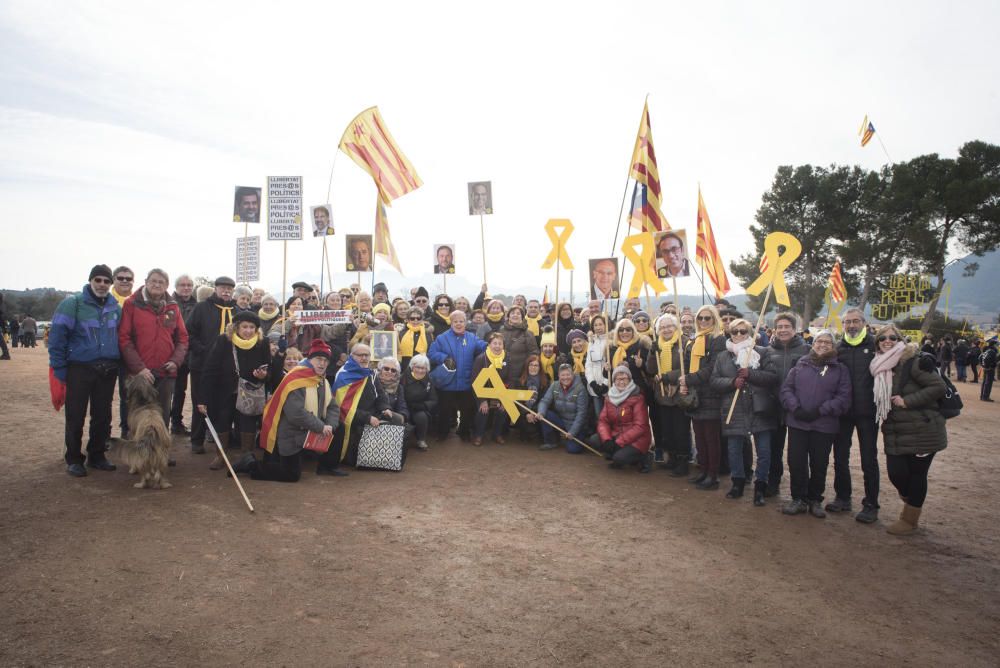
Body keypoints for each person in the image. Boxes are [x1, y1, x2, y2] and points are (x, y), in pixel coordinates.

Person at [870, 324, 948, 535]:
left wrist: (908, 401)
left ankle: (909, 519)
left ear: (900, 340)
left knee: (916, 475)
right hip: (895, 430)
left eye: (892, 338)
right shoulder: (879, 365)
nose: (887, 341)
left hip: (922, 428)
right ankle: (911, 499)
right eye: (882, 338)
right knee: (897, 474)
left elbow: (939, 387)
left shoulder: (913, 361)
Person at [49, 265, 122, 477]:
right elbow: (57, 338)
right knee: (75, 415)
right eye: (98, 280)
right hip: (79, 368)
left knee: (102, 415)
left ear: (111, 284)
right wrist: (59, 368)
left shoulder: (115, 308)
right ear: (91, 281)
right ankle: (73, 458)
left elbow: (123, 337)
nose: (102, 285)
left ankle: (97, 455)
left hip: (107, 369)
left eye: (106, 281)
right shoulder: (73, 304)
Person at [237, 339, 339, 483]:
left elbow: (332, 406)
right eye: (318, 359)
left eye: (325, 360)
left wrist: (330, 426)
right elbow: (295, 413)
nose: (322, 363)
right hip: (289, 433)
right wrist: (322, 427)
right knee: (290, 475)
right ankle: (250, 464)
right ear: (310, 360)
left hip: (309, 430)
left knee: (338, 429)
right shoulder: (296, 379)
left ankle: (325, 465)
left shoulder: (322, 380)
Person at [779, 330, 852, 518]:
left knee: (819, 464)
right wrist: (796, 409)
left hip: (824, 425)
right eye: (819, 341)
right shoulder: (800, 365)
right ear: (813, 343)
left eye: (827, 342)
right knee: (796, 462)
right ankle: (798, 499)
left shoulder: (840, 369)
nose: (822, 344)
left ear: (833, 346)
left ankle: (814, 499)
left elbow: (843, 398)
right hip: (798, 422)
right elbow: (787, 389)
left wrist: (821, 410)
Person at [710, 318, 778, 505]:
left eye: (743, 331)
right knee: (734, 450)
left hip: (759, 408)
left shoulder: (762, 352)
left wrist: (751, 374)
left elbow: (772, 377)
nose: (739, 335)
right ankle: (737, 482)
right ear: (729, 334)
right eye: (735, 332)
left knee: (764, 451)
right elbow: (714, 381)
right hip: (734, 408)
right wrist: (732, 382)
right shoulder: (723, 357)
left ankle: (760, 487)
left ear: (750, 332)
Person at [828, 307, 881, 523]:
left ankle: (871, 504)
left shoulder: (876, 345)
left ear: (864, 323)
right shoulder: (838, 347)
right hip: (843, 413)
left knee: (869, 459)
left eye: (855, 321)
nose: (851, 325)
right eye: (847, 322)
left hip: (868, 412)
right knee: (840, 458)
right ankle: (843, 497)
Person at [199, 311, 271, 470]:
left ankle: (247, 456)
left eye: (252, 327)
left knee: (248, 423)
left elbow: (268, 368)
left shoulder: (262, 343)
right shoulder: (224, 341)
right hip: (224, 391)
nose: (248, 330)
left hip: (250, 392)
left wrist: (263, 375)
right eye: (244, 327)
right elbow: (210, 369)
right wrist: (203, 398)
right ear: (236, 327)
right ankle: (221, 456)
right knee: (222, 421)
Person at [118, 268, 189, 427]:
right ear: (145, 283)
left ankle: (160, 450)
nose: (157, 285)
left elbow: (182, 338)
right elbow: (124, 338)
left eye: (161, 282)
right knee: (137, 415)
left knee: (162, 417)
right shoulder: (131, 304)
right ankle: (135, 450)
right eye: (153, 281)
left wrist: (175, 361)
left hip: (165, 372)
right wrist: (139, 368)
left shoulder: (173, 307)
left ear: (167, 285)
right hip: (139, 374)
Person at [185, 276, 237, 455]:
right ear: (215, 288)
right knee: (201, 402)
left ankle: (219, 439)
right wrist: (204, 350)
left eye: (230, 288)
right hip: (202, 364)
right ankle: (196, 439)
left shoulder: (236, 310)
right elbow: (189, 333)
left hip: (228, 368)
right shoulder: (201, 308)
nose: (226, 291)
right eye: (223, 287)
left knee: (223, 404)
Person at [680, 305, 728, 491]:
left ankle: (712, 475)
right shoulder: (694, 340)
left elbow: (712, 368)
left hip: (711, 395)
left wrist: (689, 379)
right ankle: (703, 470)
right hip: (696, 396)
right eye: (700, 318)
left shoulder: (718, 339)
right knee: (699, 437)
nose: (703, 321)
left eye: (707, 318)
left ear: (714, 320)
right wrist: (684, 382)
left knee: (711, 438)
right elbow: (686, 364)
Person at [765, 312, 810, 497]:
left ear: (795, 329)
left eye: (787, 327)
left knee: (797, 453)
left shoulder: (807, 350)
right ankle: (773, 482)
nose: (783, 330)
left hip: (797, 408)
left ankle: (800, 490)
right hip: (774, 407)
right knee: (774, 449)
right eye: (780, 327)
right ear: (774, 329)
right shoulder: (766, 351)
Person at [427, 310, 487, 442]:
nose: (458, 324)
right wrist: (444, 358)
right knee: (445, 410)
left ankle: (464, 432)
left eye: (461, 321)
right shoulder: (442, 338)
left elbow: (484, 347)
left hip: (466, 382)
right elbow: (431, 353)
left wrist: (494, 345)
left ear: (465, 323)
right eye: (455, 321)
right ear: (451, 323)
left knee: (467, 410)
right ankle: (443, 433)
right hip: (447, 382)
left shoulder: (472, 337)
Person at [645, 314, 692, 477]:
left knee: (681, 430)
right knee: (667, 429)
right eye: (662, 327)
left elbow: (688, 368)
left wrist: (669, 377)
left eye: (669, 326)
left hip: (680, 393)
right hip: (662, 394)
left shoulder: (685, 343)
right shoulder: (657, 344)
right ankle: (671, 458)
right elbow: (651, 370)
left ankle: (683, 461)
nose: (666, 329)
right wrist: (652, 353)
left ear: (676, 327)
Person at [589, 366, 653, 472]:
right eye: (618, 379)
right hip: (617, 434)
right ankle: (618, 454)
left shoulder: (638, 398)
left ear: (630, 379)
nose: (621, 381)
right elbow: (603, 421)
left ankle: (644, 456)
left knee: (619, 458)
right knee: (595, 440)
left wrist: (619, 442)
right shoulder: (609, 397)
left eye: (624, 378)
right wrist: (607, 439)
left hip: (637, 439)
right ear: (614, 381)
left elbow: (640, 426)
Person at [529, 363, 589, 452]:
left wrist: (573, 432)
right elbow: (545, 401)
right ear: (559, 376)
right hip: (561, 421)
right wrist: (541, 412)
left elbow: (581, 414)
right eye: (563, 375)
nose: (565, 377)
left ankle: (581, 438)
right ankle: (551, 441)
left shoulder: (580, 389)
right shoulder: (555, 385)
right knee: (546, 414)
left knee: (573, 450)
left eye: (568, 374)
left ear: (572, 375)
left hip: (575, 424)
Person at [470, 332, 512, 445]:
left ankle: (497, 434)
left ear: (503, 346)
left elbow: (510, 379)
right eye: (495, 343)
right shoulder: (480, 359)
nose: (497, 346)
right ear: (489, 345)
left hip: (500, 393)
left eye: (500, 344)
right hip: (483, 392)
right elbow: (475, 381)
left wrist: (504, 400)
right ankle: (478, 435)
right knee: (483, 410)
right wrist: (482, 400)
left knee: (503, 410)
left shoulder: (507, 358)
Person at [169, 274, 198, 434]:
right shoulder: (169, 304)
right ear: (176, 287)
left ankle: (177, 423)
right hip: (173, 354)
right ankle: (170, 422)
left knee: (187, 391)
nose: (186, 287)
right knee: (172, 391)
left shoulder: (197, 304)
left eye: (189, 285)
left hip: (192, 353)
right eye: (182, 285)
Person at [402, 354, 437, 451]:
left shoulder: (429, 380)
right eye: (418, 367)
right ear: (412, 367)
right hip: (404, 407)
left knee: (422, 417)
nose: (421, 371)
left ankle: (421, 440)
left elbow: (433, 399)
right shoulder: (403, 378)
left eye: (424, 368)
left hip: (419, 408)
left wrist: (423, 406)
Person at [500, 305, 539, 382]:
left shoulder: (528, 334)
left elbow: (533, 354)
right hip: (502, 372)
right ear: (508, 316)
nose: (515, 315)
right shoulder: (501, 331)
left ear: (522, 317)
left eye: (518, 313)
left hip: (520, 374)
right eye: (513, 313)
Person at [516, 354, 549, 443]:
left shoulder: (545, 382)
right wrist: (526, 413)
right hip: (524, 412)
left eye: (536, 365)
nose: (533, 367)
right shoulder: (520, 381)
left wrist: (534, 412)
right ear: (527, 367)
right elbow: (519, 401)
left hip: (537, 412)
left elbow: (544, 400)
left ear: (540, 368)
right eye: (531, 365)